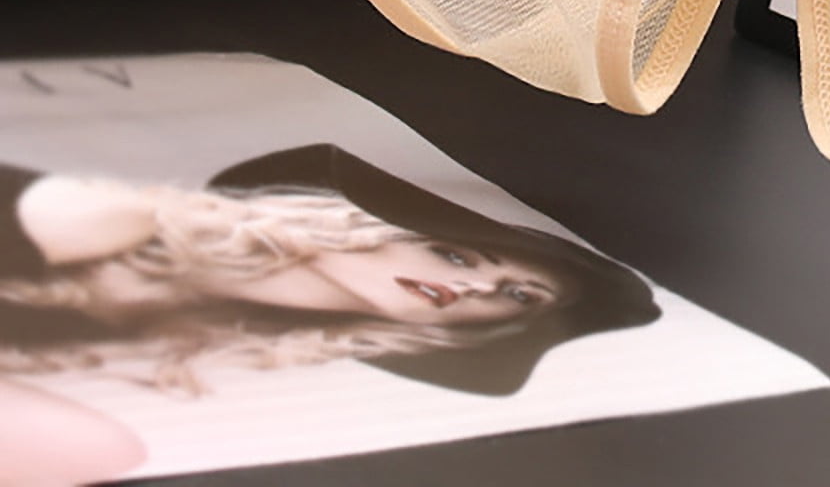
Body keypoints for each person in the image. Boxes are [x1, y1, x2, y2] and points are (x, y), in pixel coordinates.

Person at [0, 143, 661, 485]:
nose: (475, 286)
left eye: (516, 296)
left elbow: (94, 449)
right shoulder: (111, 218)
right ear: (375, 230)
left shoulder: (216, 353)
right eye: (455, 255)